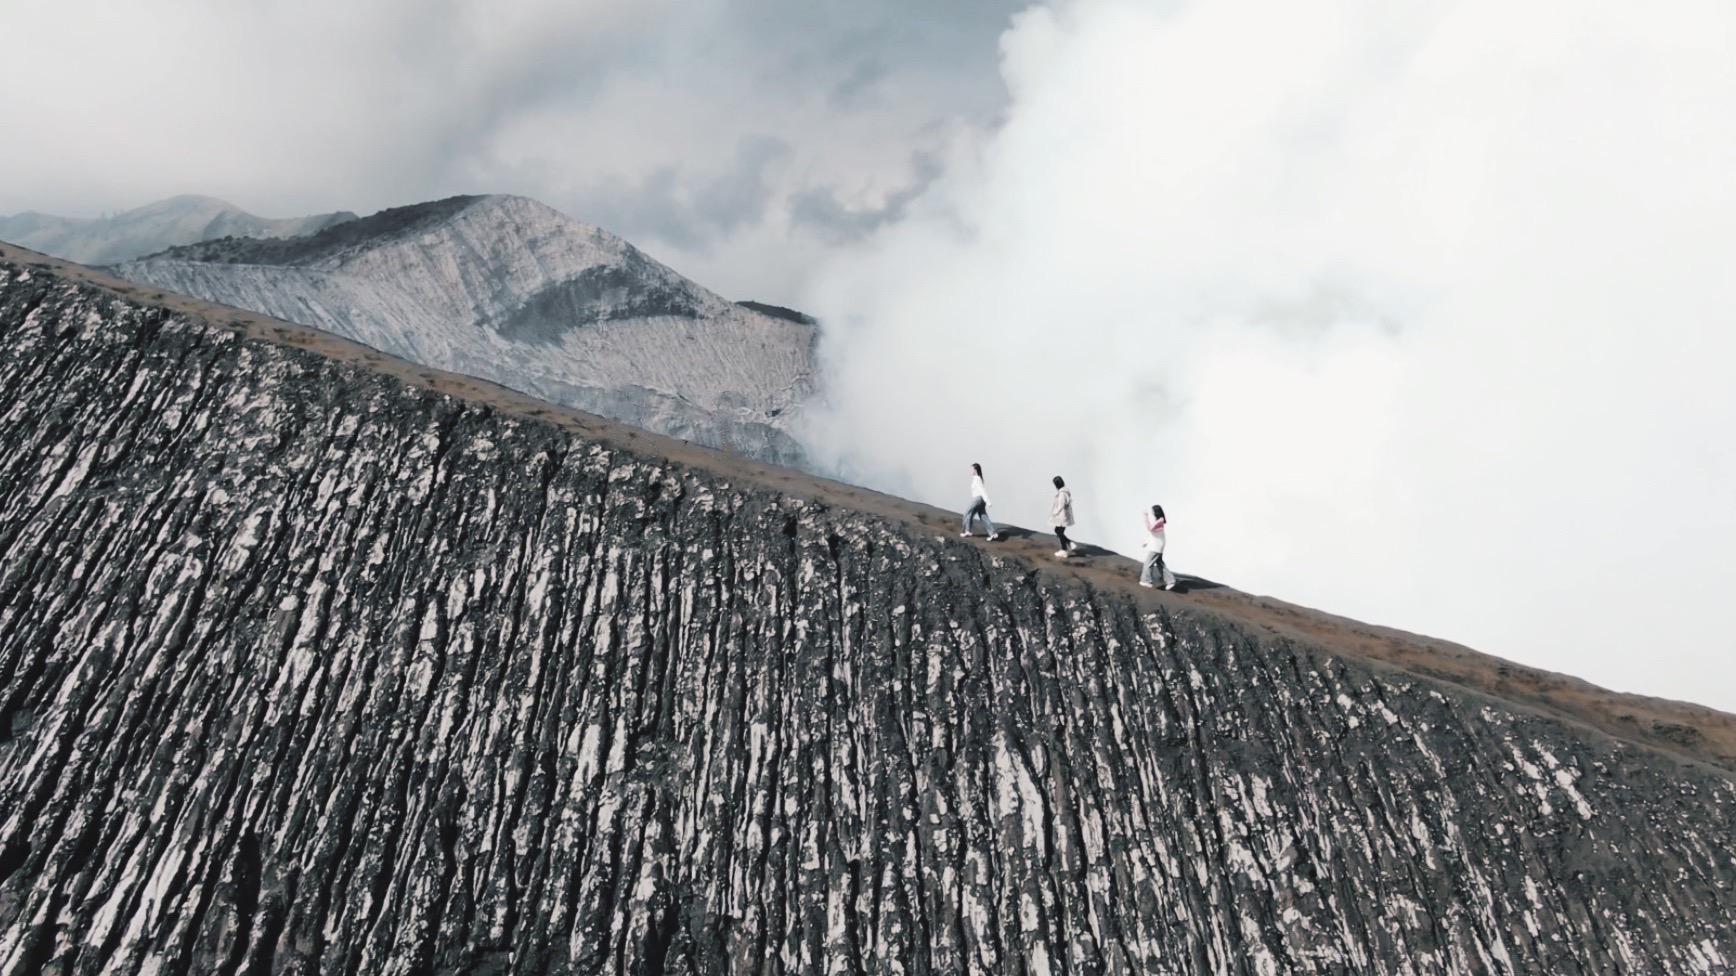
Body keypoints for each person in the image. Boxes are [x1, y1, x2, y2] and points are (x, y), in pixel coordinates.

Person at [1139, 504, 1177, 590]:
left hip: (1156, 547)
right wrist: (1146, 542)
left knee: (1148, 563)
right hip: (1156, 546)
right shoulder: (1158, 521)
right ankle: (1170, 581)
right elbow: (1153, 534)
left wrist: (1145, 517)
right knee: (1160, 564)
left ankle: (1146, 581)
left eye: (1152, 512)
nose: (1151, 514)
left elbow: (1150, 529)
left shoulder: (1160, 520)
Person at [962, 463, 1001, 540]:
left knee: (967, 513)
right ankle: (993, 534)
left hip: (978, 499)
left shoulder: (977, 479)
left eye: (972, 469)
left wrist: (988, 501)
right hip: (980, 500)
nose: (971, 471)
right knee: (983, 516)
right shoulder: (976, 478)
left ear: (975, 470)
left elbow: (982, 490)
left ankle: (967, 531)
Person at [1050, 475, 1076, 558]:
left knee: (1059, 532)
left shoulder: (1062, 494)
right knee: (1057, 530)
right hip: (1064, 516)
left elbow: (1061, 505)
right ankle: (1069, 543)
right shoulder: (1065, 492)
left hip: (1062, 516)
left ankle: (1064, 550)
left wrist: (1054, 513)